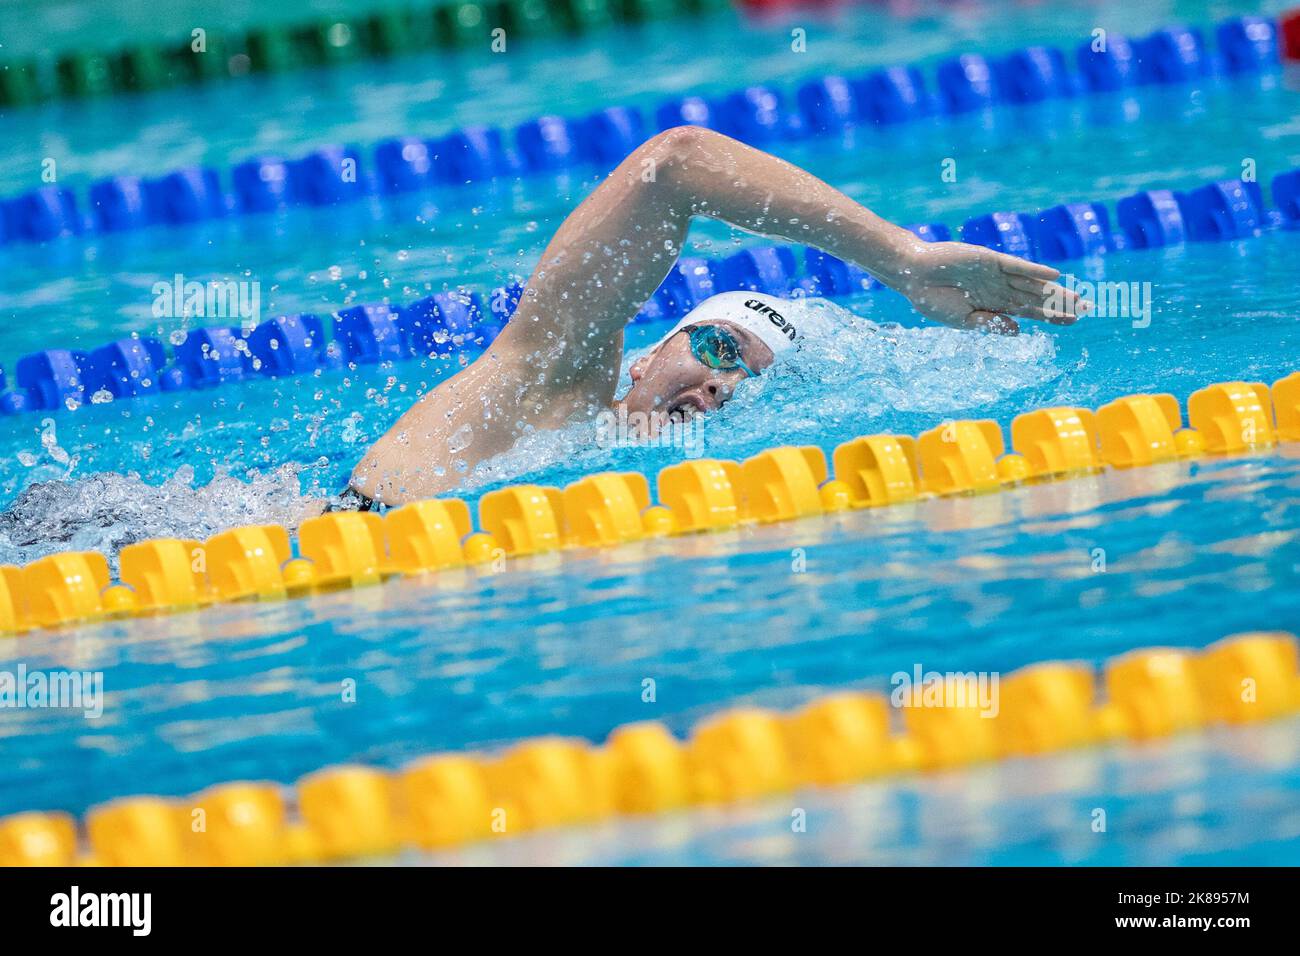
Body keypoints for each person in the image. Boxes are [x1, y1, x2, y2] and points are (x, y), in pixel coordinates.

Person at [342, 125, 1089, 509]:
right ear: (643, 356)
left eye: (742, 376)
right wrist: (906, 262)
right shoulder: (546, 394)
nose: (721, 385)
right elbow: (677, 164)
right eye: (718, 348)